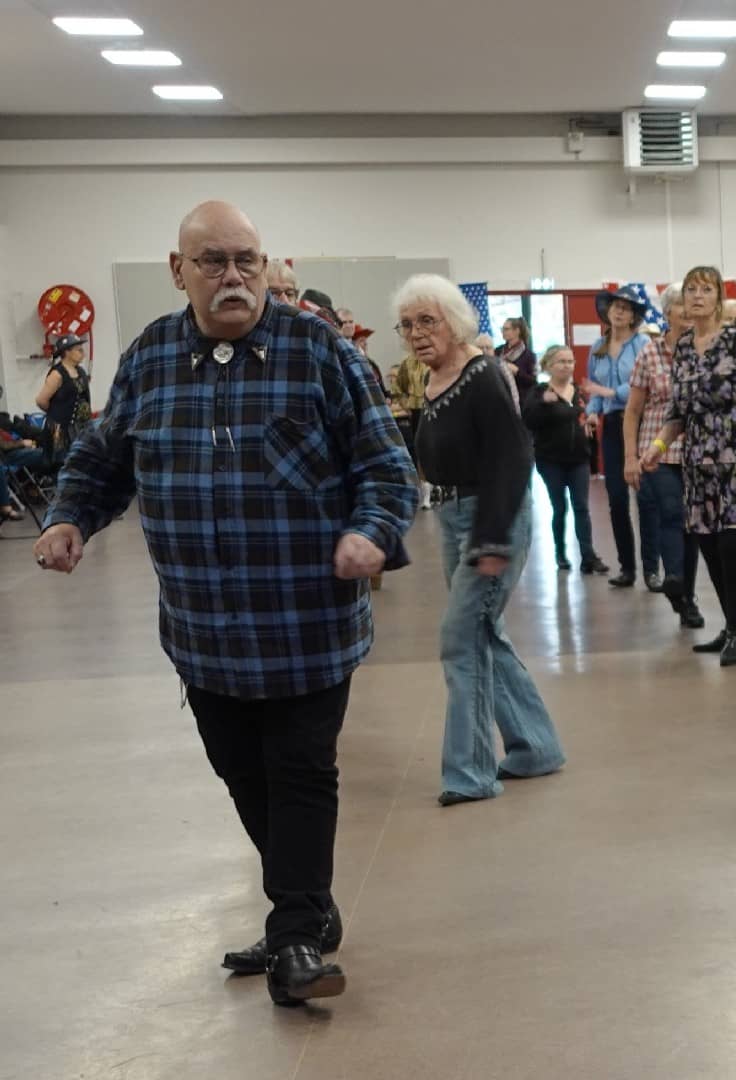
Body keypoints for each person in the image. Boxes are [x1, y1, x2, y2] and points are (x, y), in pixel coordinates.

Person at [33, 201, 416, 1005]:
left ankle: (296, 939)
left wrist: (373, 531)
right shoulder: (148, 360)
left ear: (268, 265)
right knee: (244, 776)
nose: (234, 276)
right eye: (214, 261)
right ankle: (305, 910)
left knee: (300, 772)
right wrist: (70, 517)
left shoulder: (320, 353)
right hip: (203, 634)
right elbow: (103, 463)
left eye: (247, 259)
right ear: (180, 271)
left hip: (307, 623)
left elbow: (385, 468)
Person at [399, 274, 567, 807]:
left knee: (460, 638)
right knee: (483, 632)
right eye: (407, 325)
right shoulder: (433, 377)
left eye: (427, 320)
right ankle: (535, 747)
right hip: (452, 516)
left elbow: (513, 458)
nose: (417, 333)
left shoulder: (484, 374)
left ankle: (470, 773)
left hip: (490, 519)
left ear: (455, 319)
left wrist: (492, 539)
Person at [638, 266, 736, 666]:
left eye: (705, 289)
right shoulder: (685, 347)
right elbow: (677, 412)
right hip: (697, 462)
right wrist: (658, 446)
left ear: (718, 298)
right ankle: (732, 626)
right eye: (690, 289)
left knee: (735, 545)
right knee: (710, 547)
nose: (696, 296)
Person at [626, 287, 707, 626]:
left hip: (698, 451)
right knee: (672, 510)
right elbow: (632, 411)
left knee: (691, 526)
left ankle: (685, 597)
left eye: (692, 306)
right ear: (668, 313)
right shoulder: (649, 353)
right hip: (656, 449)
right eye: (680, 307)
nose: (688, 312)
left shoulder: (706, 351)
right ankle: (674, 577)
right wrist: (630, 457)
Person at [583, 285, 650, 588]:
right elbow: (593, 390)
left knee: (647, 498)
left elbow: (646, 383)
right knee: (617, 499)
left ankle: (652, 569)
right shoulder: (598, 345)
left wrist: (610, 393)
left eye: (626, 307)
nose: (620, 311)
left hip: (640, 423)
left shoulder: (643, 344)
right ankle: (627, 568)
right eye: (615, 306)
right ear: (607, 312)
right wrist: (593, 411)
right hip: (611, 427)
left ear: (635, 315)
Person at [523, 345, 609, 573]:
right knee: (560, 507)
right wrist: (544, 404)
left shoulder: (579, 392)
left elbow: (584, 416)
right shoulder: (539, 392)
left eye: (570, 361)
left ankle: (588, 556)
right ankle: (560, 553)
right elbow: (528, 419)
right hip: (550, 459)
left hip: (579, 458)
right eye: (561, 361)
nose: (567, 366)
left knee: (581, 507)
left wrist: (591, 420)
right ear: (549, 366)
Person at [34, 333, 93, 463]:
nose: (82, 353)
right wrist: (57, 412)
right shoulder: (57, 374)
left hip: (80, 426)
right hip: (59, 429)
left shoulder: (81, 372)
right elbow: (41, 400)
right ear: (67, 352)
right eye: (78, 350)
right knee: (63, 463)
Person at [498, 316, 538, 399]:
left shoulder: (529, 355)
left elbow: (533, 381)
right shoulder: (498, 351)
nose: (503, 332)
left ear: (517, 331)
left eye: (506, 329)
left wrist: (517, 371)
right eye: (502, 329)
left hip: (521, 399)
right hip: (502, 396)